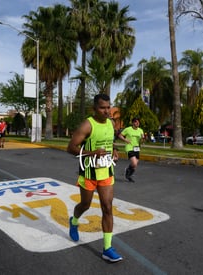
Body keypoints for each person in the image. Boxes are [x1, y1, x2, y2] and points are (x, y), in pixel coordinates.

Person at [67, 94, 122, 263]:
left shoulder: (111, 123)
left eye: (108, 107)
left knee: (107, 207)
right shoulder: (87, 125)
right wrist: (92, 153)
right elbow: (70, 147)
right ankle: (74, 221)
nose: (106, 111)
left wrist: (113, 150)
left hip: (106, 171)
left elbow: (109, 140)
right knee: (86, 204)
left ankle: (107, 248)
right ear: (94, 109)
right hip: (89, 172)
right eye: (102, 107)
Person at [117, 117, 144, 183]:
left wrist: (142, 139)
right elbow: (120, 135)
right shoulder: (128, 129)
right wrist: (125, 140)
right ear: (133, 123)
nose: (137, 123)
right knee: (134, 163)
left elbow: (141, 141)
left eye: (138, 122)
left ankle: (129, 175)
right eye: (136, 122)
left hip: (137, 148)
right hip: (129, 147)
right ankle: (128, 171)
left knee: (134, 166)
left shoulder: (140, 130)